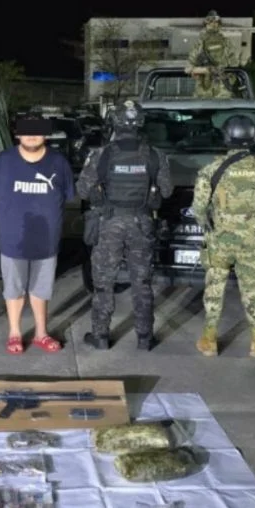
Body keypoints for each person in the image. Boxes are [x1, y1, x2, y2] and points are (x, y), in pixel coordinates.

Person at [76, 100, 173, 350]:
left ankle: (100, 336)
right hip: (142, 224)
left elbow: (83, 190)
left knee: (104, 282)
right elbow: (167, 191)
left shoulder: (102, 154)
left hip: (110, 223)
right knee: (142, 283)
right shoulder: (155, 155)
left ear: (116, 122)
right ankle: (144, 337)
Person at [0, 114, 75, 354]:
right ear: (18, 134)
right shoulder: (2, 162)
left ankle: (41, 334)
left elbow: (67, 195)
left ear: (45, 134)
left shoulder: (59, 163)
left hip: (46, 240)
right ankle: (14, 333)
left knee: (41, 290)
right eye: (26, 130)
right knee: (13, 289)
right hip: (13, 240)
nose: (32, 135)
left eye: (37, 130)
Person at [192, 115, 255, 358]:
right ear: (253, 138)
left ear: (226, 137)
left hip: (220, 241)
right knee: (252, 290)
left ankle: (209, 340)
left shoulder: (212, 169)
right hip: (252, 242)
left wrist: (210, 225)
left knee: (214, 287)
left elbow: (198, 209)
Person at [185, 10, 236, 99]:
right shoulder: (200, 43)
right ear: (206, 24)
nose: (213, 24)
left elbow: (234, 67)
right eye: (211, 22)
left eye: (216, 22)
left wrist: (227, 77)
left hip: (222, 88)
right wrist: (206, 70)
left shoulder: (226, 42)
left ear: (219, 24)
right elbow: (188, 69)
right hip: (204, 88)